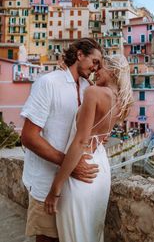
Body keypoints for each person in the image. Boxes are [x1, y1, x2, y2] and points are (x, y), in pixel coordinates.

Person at [20, 38, 103, 242]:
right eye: (94, 61)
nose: (96, 67)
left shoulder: (88, 89)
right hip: (46, 182)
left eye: (99, 64)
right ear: (79, 55)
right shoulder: (48, 82)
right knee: (48, 238)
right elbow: (28, 137)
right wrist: (70, 164)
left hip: (74, 186)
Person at [44, 54, 133, 242]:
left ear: (113, 71)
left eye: (100, 67)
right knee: (92, 233)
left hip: (81, 170)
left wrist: (55, 189)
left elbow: (80, 142)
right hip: (100, 168)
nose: (95, 71)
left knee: (75, 235)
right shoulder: (122, 102)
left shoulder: (94, 93)